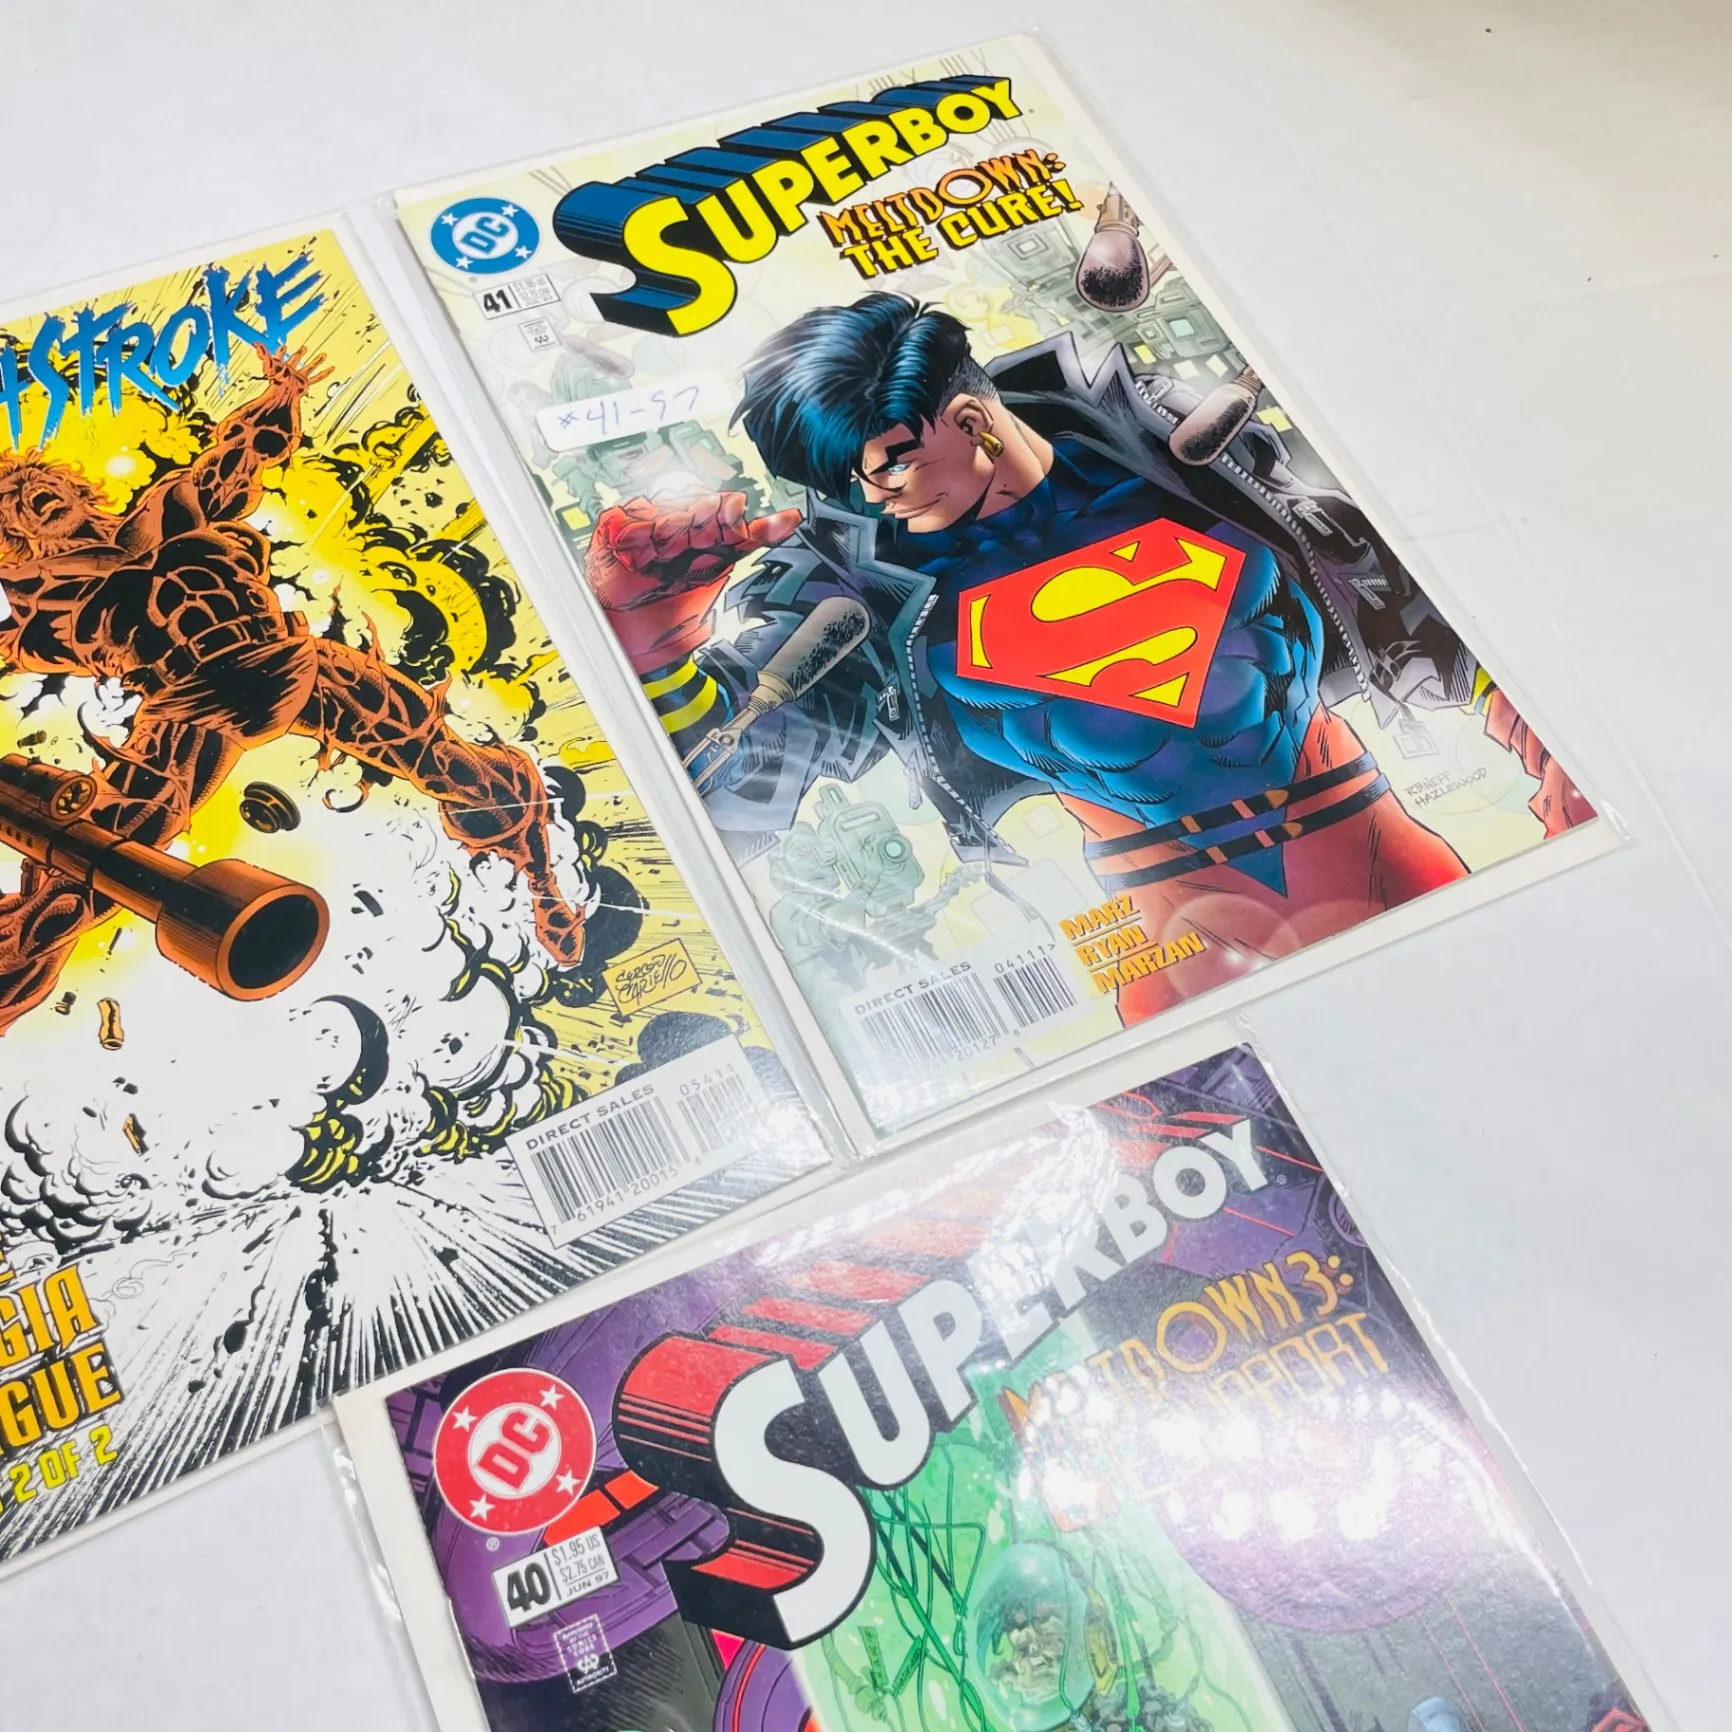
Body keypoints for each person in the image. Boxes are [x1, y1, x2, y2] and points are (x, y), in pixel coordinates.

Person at [586, 293, 1587, 1020]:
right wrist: (652, 642)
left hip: (1393, 870)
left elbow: (1400, 598)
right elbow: (732, 790)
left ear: (968, 420)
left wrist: (1553, 746)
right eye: (849, 485)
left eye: (888, 465)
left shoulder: (1174, 451)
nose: (874, 499)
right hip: (1180, 950)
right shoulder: (859, 585)